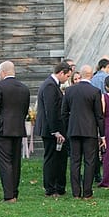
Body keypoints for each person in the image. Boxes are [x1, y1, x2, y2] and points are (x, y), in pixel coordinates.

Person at [0, 60, 30, 202]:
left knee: (4, 162)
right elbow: (24, 110)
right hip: (18, 128)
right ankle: (15, 192)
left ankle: (9, 195)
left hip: (2, 130)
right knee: (15, 162)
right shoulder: (24, 88)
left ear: (3, 72)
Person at [62, 64, 105, 199]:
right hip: (89, 130)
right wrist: (102, 134)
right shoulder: (94, 91)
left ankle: (76, 192)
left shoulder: (69, 91)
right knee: (89, 161)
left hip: (74, 130)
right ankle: (87, 192)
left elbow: (64, 113)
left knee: (75, 161)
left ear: (80, 75)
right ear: (91, 75)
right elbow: (99, 115)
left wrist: (68, 127)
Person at [34, 62, 71, 197]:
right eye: (67, 76)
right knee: (51, 158)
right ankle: (50, 187)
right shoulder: (50, 86)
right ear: (61, 73)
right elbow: (51, 110)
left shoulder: (51, 84)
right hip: (50, 130)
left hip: (51, 128)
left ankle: (56, 186)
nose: (67, 79)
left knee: (56, 157)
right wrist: (55, 131)